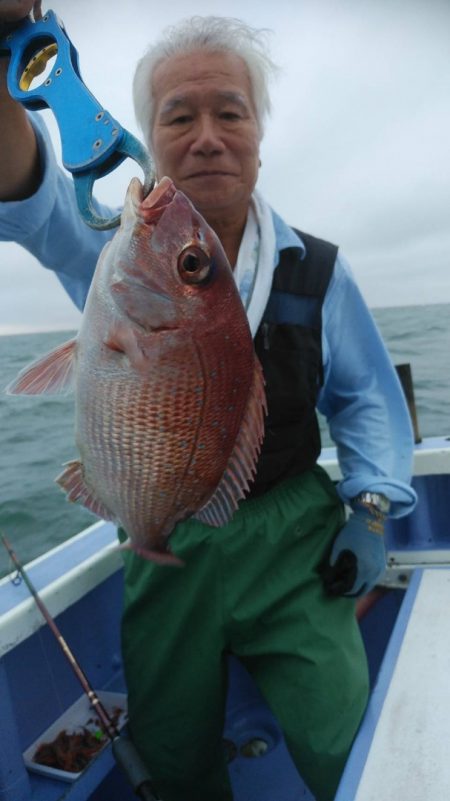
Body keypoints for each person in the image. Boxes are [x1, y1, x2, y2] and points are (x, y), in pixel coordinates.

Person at [0, 6, 417, 801]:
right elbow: (30, 198)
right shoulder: (109, 247)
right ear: (148, 139)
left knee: (342, 720)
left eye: (231, 111)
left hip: (296, 539)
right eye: (178, 115)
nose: (207, 134)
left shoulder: (321, 271)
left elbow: (365, 399)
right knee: (169, 736)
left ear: (259, 135)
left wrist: (369, 507)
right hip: (165, 533)